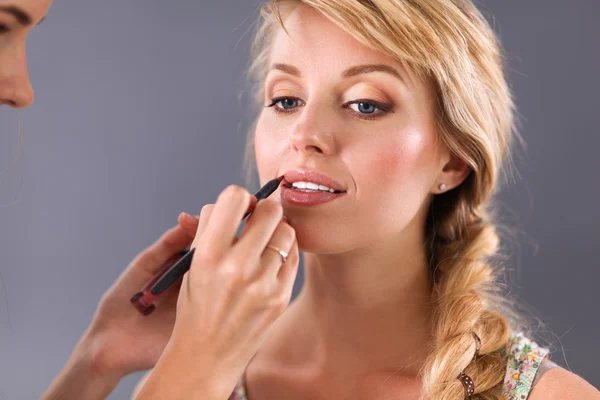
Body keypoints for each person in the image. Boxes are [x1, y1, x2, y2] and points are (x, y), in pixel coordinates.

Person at [1, 1, 597, 400]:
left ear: (452, 162)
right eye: (286, 99)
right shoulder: (199, 372)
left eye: (365, 104)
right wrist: (100, 360)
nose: (304, 134)